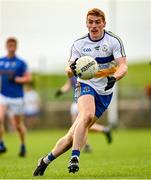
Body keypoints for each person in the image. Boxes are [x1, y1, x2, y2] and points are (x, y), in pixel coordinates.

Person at [33, 8, 127, 175]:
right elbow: (68, 69)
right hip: (85, 85)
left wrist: (115, 77)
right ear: (86, 24)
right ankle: (75, 157)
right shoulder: (79, 44)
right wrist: (71, 69)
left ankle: (45, 160)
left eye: (98, 22)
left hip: (105, 92)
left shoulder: (113, 41)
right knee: (87, 115)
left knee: (71, 137)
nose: (94, 25)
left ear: (104, 23)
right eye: (91, 22)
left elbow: (123, 66)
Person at [55, 76, 112, 152]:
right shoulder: (73, 73)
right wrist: (60, 91)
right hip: (77, 102)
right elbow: (68, 85)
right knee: (79, 126)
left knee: (80, 125)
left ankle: (102, 130)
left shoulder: (85, 72)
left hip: (82, 102)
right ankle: (87, 144)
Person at [0, 37, 31, 157]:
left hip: (17, 97)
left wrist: (17, 79)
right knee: (0, 118)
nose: (11, 47)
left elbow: (28, 78)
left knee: (17, 124)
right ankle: (1, 143)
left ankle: (23, 145)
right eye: (9, 45)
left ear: (16, 47)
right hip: (3, 95)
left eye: (13, 45)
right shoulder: (1, 61)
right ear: (6, 46)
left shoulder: (21, 63)